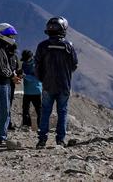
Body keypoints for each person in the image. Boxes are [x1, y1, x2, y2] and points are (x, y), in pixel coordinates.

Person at [35, 16, 78, 148]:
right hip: (64, 85)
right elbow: (74, 65)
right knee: (62, 112)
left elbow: (37, 65)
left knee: (45, 112)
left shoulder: (42, 46)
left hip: (48, 85)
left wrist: (42, 79)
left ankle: (42, 140)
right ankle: (60, 139)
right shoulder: (68, 46)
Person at [0, 23, 21, 146]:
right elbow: (3, 68)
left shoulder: (3, 47)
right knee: (3, 111)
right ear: (2, 35)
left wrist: (13, 76)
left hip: (5, 83)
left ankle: (2, 136)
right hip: (0, 84)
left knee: (5, 111)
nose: (12, 38)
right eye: (10, 35)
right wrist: (12, 76)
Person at [20, 49, 42, 131]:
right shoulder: (24, 64)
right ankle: (26, 125)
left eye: (27, 59)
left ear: (31, 57)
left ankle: (40, 126)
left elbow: (37, 78)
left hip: (36, 90)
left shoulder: (37, 65)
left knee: (39, 109)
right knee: (25, 109)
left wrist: (25, 76)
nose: (26, 61)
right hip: (27, 90)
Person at [7, 45, 20, 131]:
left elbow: (17, 68)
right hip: (5, 82)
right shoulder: (5, 56)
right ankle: (6, 123)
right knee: (6, 104)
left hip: (12, 84)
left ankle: (8, 123)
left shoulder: (15, 57)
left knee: (9, 103)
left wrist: (19, 75)